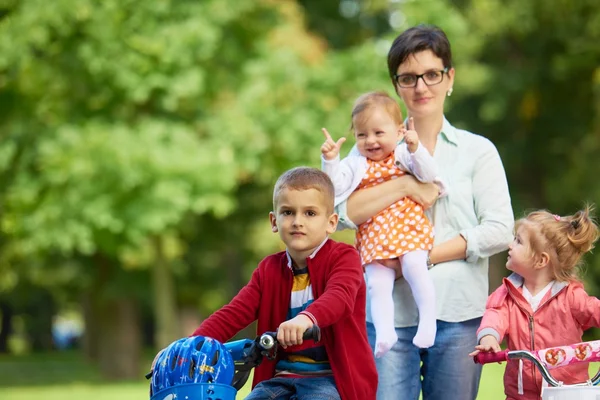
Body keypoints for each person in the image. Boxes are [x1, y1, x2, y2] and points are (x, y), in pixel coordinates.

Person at [334, 24, 515, 399]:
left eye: (432, 74)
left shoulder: (477, 151)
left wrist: (421, 257)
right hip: (388, 318)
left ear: (450, 78)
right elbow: (343, 211)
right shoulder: (368, 146)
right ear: (396, 85)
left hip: (457, 314)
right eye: (408, 77)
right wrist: (404, 186)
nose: (421, 87)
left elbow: (499, 229)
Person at [188, 167, 377, 400]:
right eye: (288, 212)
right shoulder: (269, 270)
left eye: (310, 213)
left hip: (331, 379)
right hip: (280, 378)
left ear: (331, 222)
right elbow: (233, 314)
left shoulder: (344, 258)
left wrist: (306, 318)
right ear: (274, 220)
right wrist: (187, 348)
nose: (297, 221)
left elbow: (339, 297)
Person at [321, 91, 445, 356]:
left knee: (414, 267)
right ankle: (385, 332)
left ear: (399, 131)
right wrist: (330, 160)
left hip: (407, 229)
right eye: (362, 134)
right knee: (376, 284)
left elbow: (430, 174)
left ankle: (428, 322)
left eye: (379, 133)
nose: (371, 141)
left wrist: (416, 148)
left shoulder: (403, 154)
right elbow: (335, 187)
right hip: (374, 235)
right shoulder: (355, 163)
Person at [469, 206, 600, 399]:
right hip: (520, 393)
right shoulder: (507, 294)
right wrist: (489, 338)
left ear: (540, 260)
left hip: (567, 392)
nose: (510, 245)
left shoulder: (571, 296)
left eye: (518, 241)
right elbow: (495, 315)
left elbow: (594, 310)